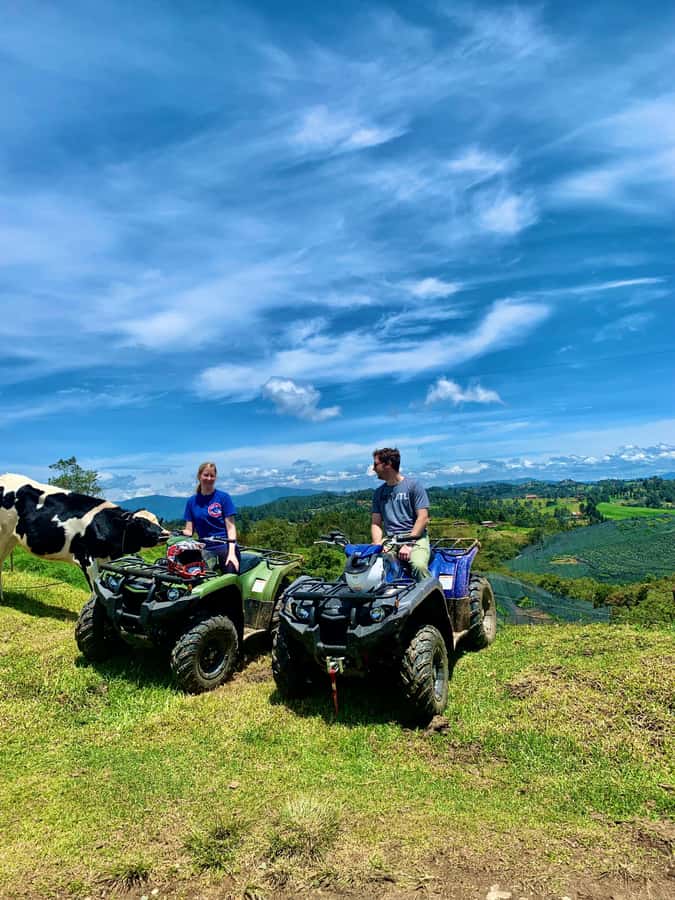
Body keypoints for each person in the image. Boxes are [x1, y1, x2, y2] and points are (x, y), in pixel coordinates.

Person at [371, 447, 430, 580]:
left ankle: (432, 598)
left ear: (388, 465)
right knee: (371, 567)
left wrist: (409, 544)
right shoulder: (379, 493)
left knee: (418, 566)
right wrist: (377, 545)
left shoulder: (413, 486)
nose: (373, 468)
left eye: (376, 464)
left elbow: (423, 518)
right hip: (391, 539)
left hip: (415, 537)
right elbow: (376, 523)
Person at [183, 461, 240, 573]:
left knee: (229, 581)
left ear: (215, 477)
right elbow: (189, 531)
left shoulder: (223, 497)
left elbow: (231, 527)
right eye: (206, 475)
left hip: (225, 546)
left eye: (212, 475)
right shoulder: (192, 502)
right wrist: (170, 533)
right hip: (204, 548)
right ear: (199, 476)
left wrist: (232, 553)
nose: (209, 478)